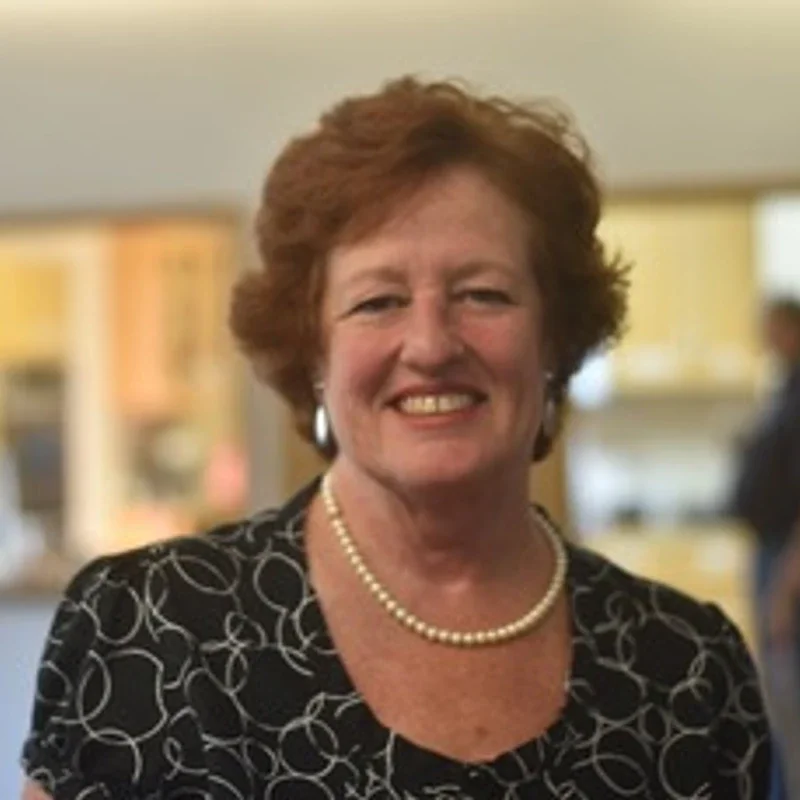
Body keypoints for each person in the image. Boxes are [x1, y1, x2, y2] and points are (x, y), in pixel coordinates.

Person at [21, 77, 770, 799]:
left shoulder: (688, 669)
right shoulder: (147, 629)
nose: (431, 344)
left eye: (483, 294)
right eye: (378, 301)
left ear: (555, 338)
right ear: (313, 354)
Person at [731, 296, 800, 799]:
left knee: (788, 698)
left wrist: (785, 587)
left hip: (787, 562)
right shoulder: (785, 389)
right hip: (773, 554)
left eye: (773, 327)